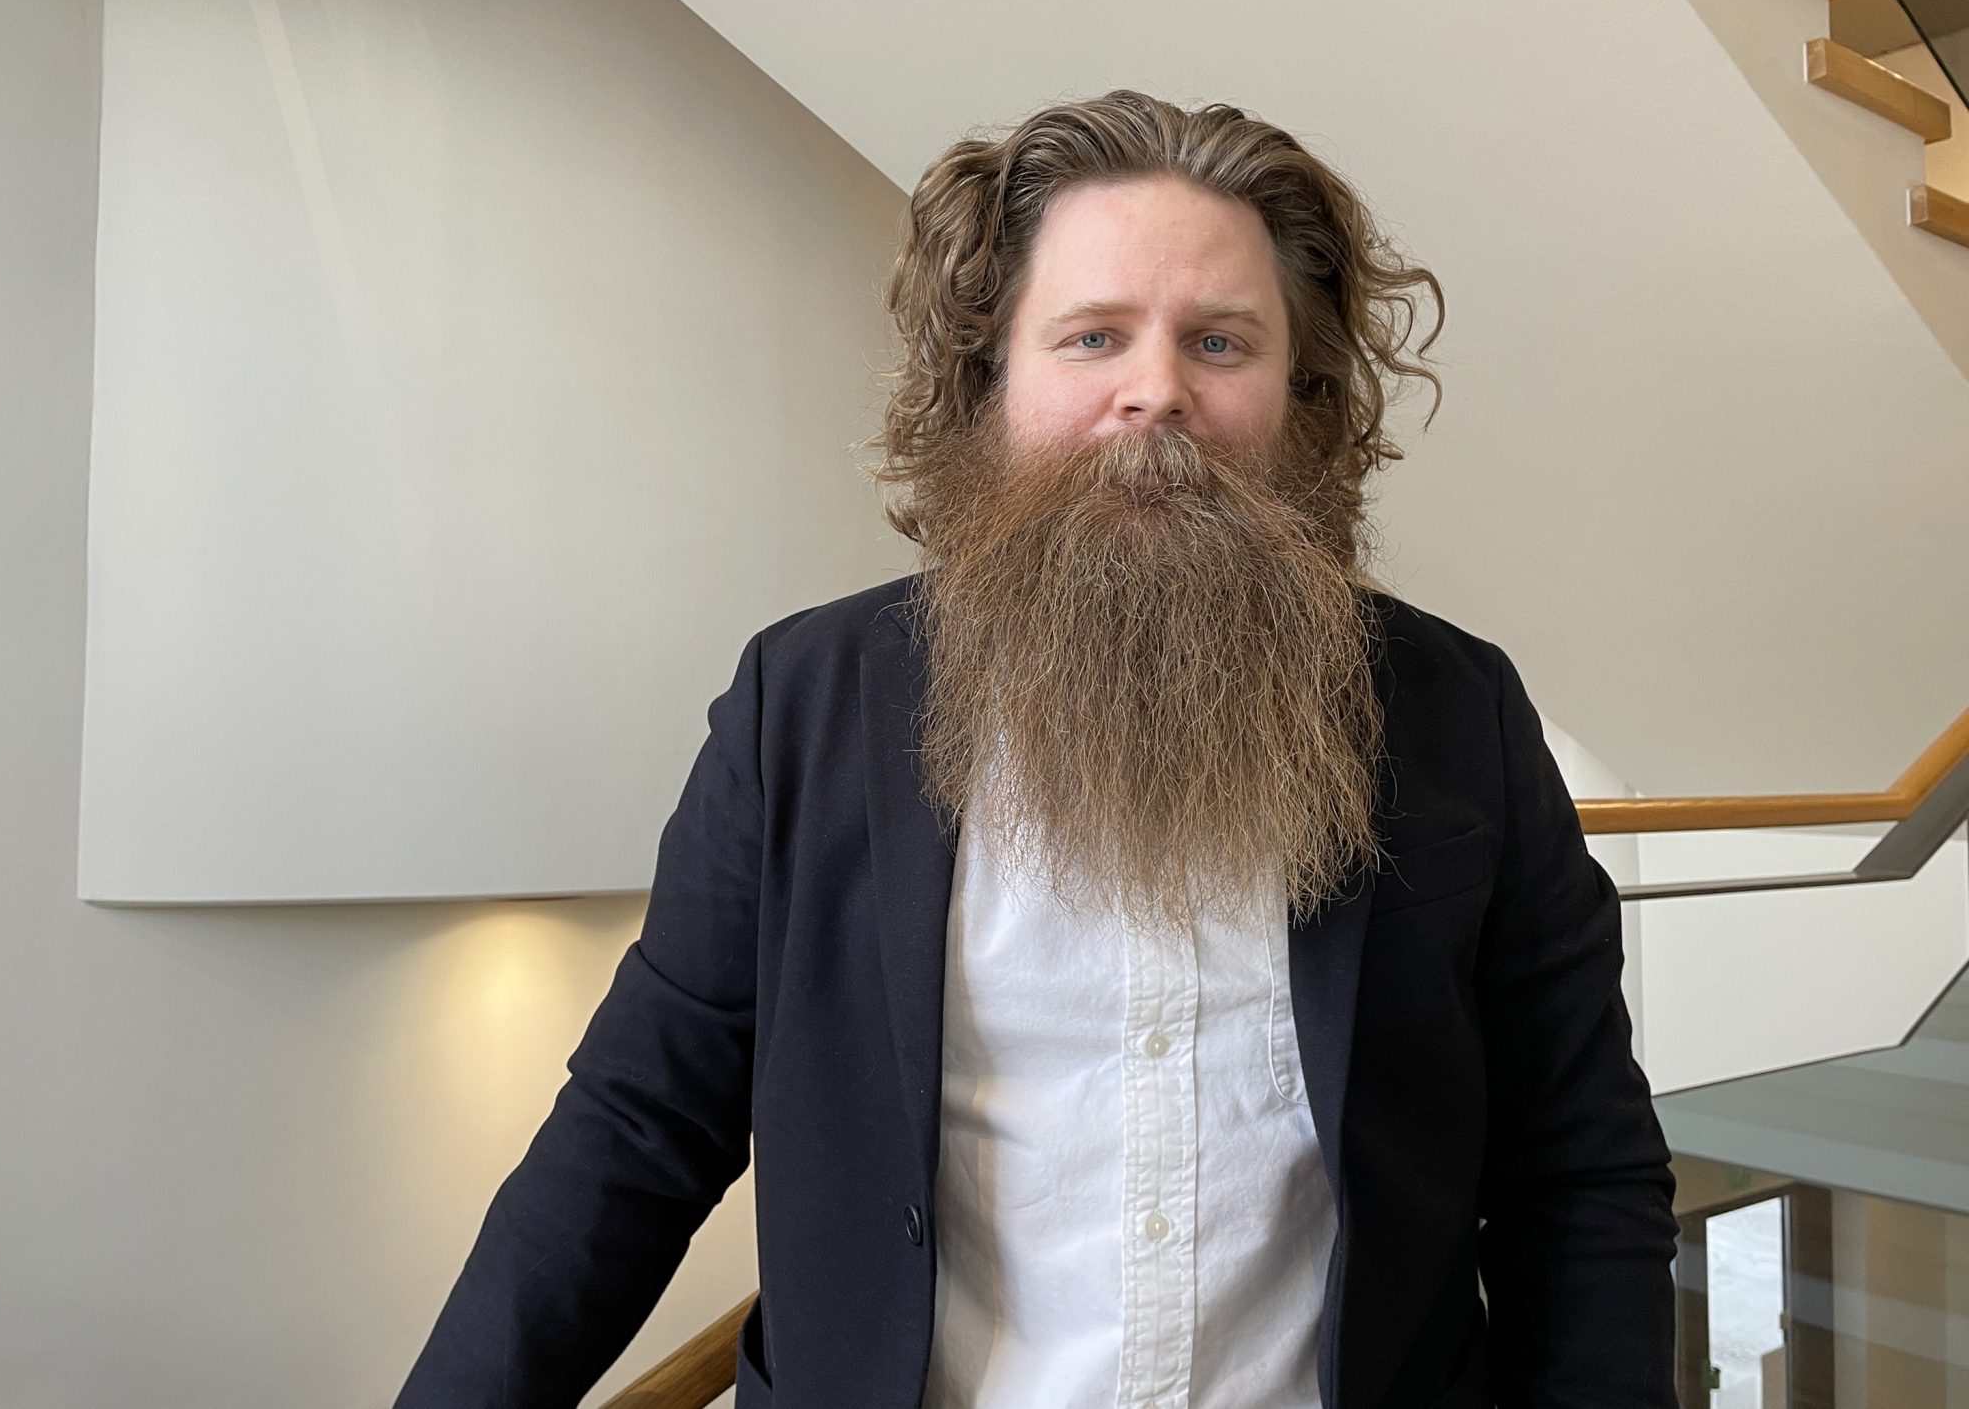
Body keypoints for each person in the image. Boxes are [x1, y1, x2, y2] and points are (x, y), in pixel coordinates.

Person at [395, 88, 1680, 1409]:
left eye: (1221, 342)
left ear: (1300, 398)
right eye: (1092, 337)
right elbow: (634, 1134)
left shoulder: (1460, 711)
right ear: (990, 381)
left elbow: (1578, 1172)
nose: (1156, 391)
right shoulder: (802, 708)